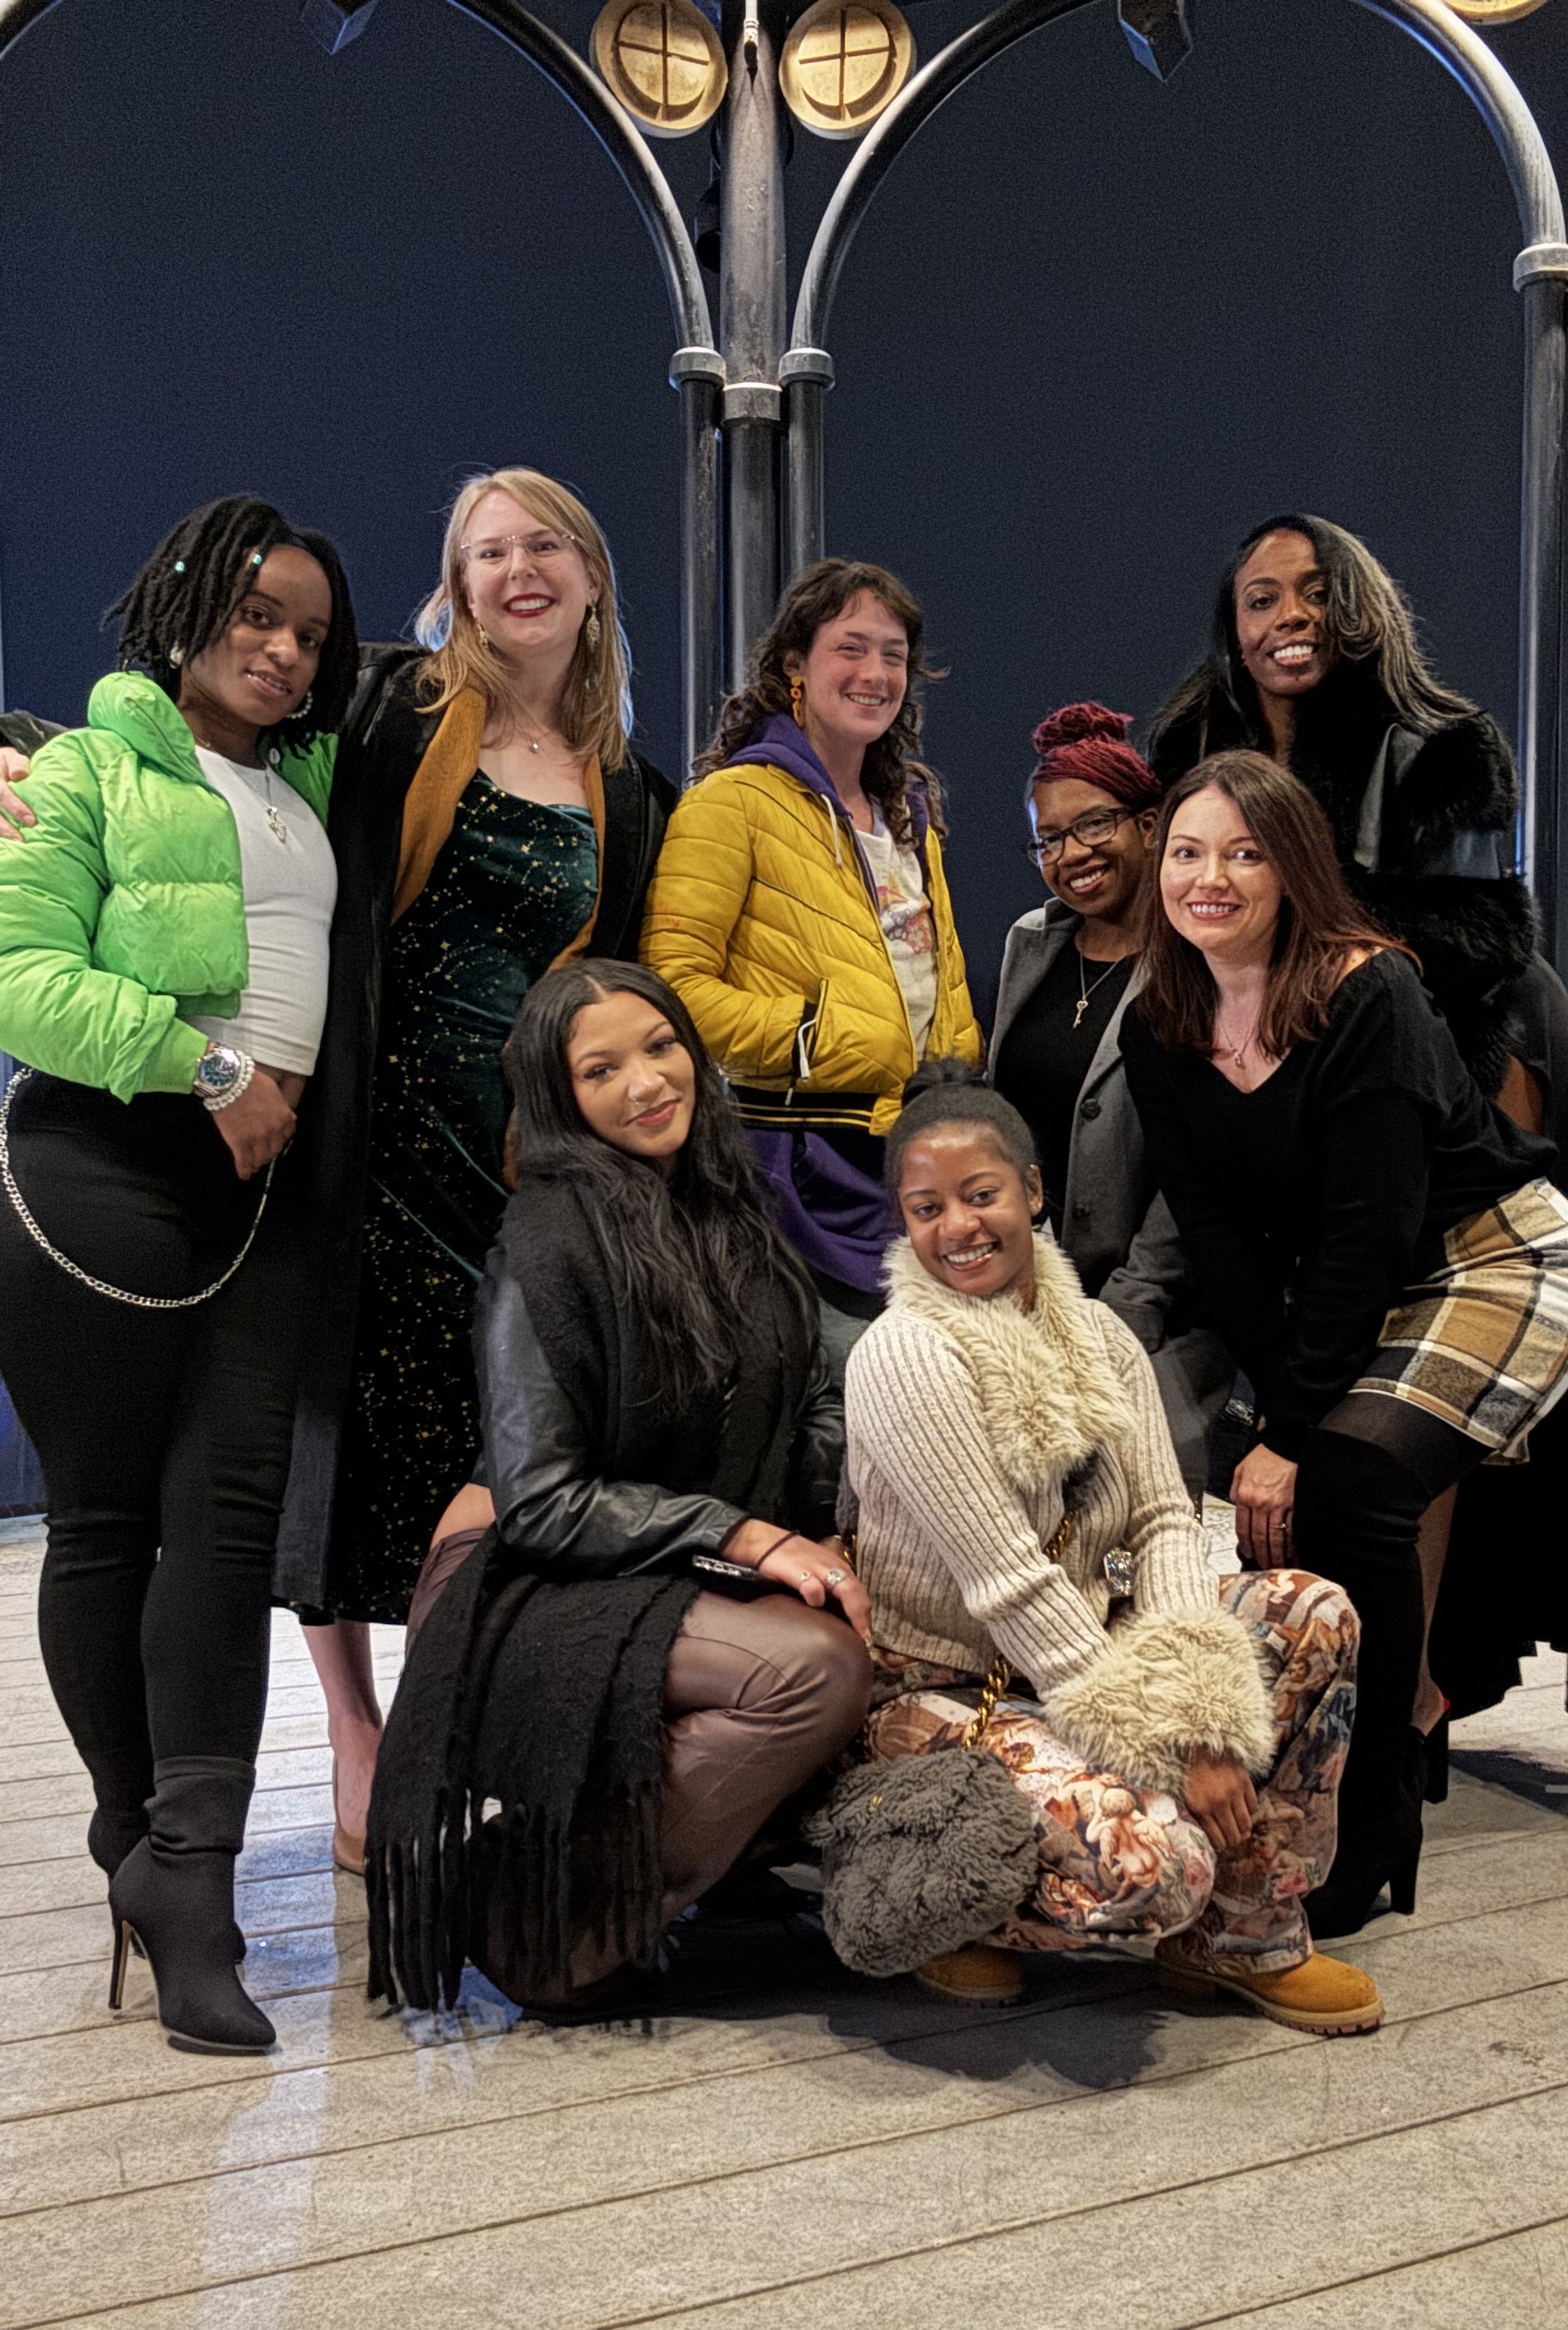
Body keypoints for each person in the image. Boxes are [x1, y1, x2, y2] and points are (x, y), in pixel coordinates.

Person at [0, 465, 679, 1874]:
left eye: (544, 544)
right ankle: (355, 1742)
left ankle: (439, 1728)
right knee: (333, 1452)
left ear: (592, 573)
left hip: (510, 1153)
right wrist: (12, 749)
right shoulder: (390, 705)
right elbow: (185, 738)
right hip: (355, 1130)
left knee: (473, 1450)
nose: (518, 570)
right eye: (486, 550)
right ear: (455, 586)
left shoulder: (628, 779)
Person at [1147, 515, 1568, 1762]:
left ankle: (1413, 1698)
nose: (1289, 617)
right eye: (1261, 597)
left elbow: (1477, 941)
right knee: (1330, 1375)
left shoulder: (1442, 744)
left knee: (1406, 1400)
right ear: (1232, 621)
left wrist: (1354, 1041)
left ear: (1360, 606)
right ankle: (1352, 1699)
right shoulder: (1195, 741)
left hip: (1460, 1047)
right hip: (1283, 1054)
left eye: (1314, 592)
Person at [1119, 752, 1568, 1935]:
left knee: (1353, 1476)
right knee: (1328, 1484)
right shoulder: (1160, 1024)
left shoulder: (1367, 991)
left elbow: (1369, 1230)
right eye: (1187, 852)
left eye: (1245, 853)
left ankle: (1376, 1818)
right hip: (1362, 1277)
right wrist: (1284, 1414)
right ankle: (1362, 1769)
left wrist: (1287, 1434)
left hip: (1496, 1254)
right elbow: (1221, 1240)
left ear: (1295, 870)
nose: (1210, 877)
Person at [0, 497, 360, 2052]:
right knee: (104, 1522)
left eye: (311, 634)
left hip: (265, 1194)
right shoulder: (86, 769)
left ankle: (191, 1876)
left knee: (225, 1530)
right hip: (102, 1164)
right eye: (257, 614)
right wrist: (209, 1066)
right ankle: (129, 1835)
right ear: (186, 601)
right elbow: (21, 981)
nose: (283, 651)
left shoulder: (312, 781)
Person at [366, 961, 872, 2020]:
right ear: (560, 1098)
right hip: (523, 1578)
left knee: (870, 1625)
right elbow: (543, 1502)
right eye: (600, 1070)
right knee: (810, 1673)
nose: (646, 1082)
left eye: (661, 1046)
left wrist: (827, 1523)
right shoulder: (543, 1242)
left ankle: (700, 1863)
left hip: (660, 1560)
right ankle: (538, 1919)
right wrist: (751, 1536)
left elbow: (805, 1391)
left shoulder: (724, 1201)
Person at [843, 1062, 1380, 2035]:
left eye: (980, 1194)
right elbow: (1011, 1582)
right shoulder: (904, 1354)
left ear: (1032, 1191)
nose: (957, 1226)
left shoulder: (1097, 1332)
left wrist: (1203, 1712)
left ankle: (1243, 1935)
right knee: (1160, 1866)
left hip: (1092, 1651)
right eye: (926, 1209)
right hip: (950, 1684)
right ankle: (952, 1904)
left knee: (1313, 1610)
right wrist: (1169, 1747)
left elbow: (1162, 1522)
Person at [642, 559, 981, 1379]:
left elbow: (931, 979)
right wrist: (811, 1035)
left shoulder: (909, 811)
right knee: (842, 1400)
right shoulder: (730, 802)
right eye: (850, 648)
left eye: (894, 655)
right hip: (793, 1171)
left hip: (911, 1160)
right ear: (794, 665)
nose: (875, 674)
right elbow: (672, 990)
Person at [988, 702, 1230, 1501]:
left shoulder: (1199, 960)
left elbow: (1203, 1162)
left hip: (1157, 1307)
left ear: (1149, 825)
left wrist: (1119, 1316)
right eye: (1048, 839)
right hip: (1027, 1291)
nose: (1071, 855)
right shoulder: (1032, 942)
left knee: (1130, 1503)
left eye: (1093, 825)